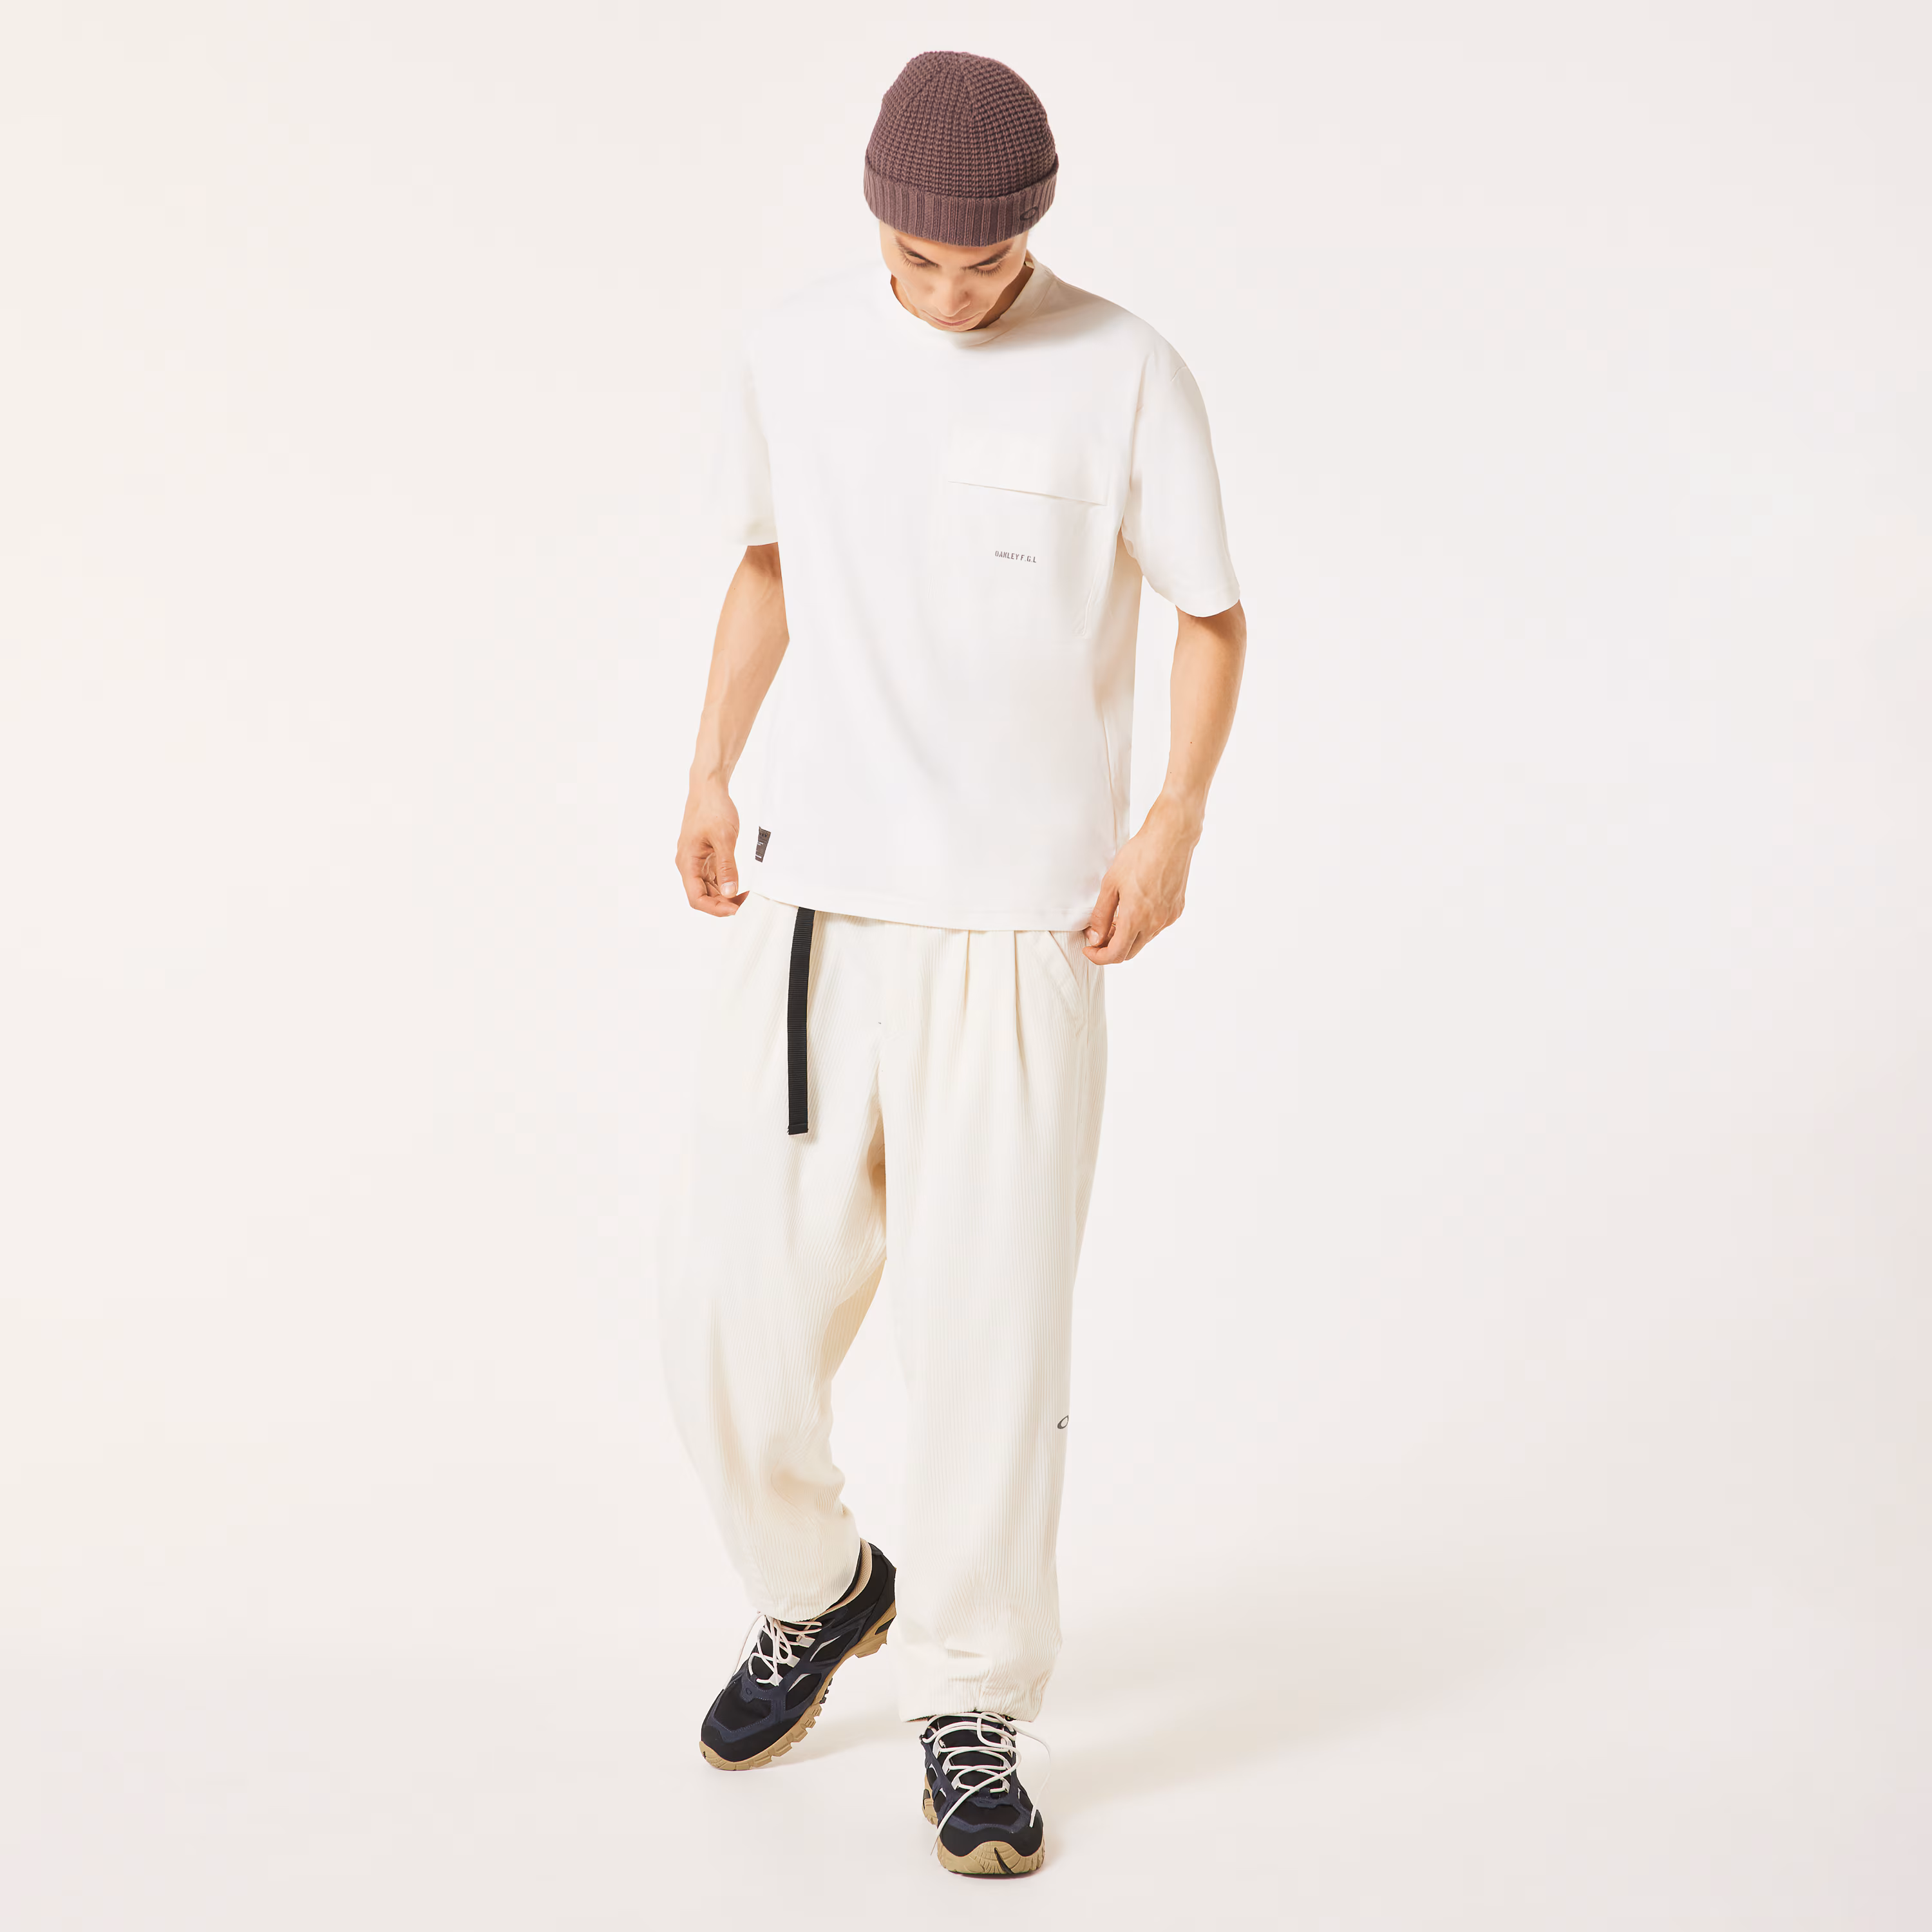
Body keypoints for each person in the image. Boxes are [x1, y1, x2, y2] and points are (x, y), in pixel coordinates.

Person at [659, 49, 1245, 1878]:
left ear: (1032, 228)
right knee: (732, 1326)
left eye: (981, 264)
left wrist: (1173, 822)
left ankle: (974, 1702)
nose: (947, 292)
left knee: (988, 1347)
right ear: (876, 218)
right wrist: (707, 771)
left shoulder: (1126, 368)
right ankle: (822, 1587)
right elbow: (767, 568)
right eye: (916, 258)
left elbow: (1213, 615)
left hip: (1022, 931)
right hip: (819, 914)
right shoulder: (795, 351)